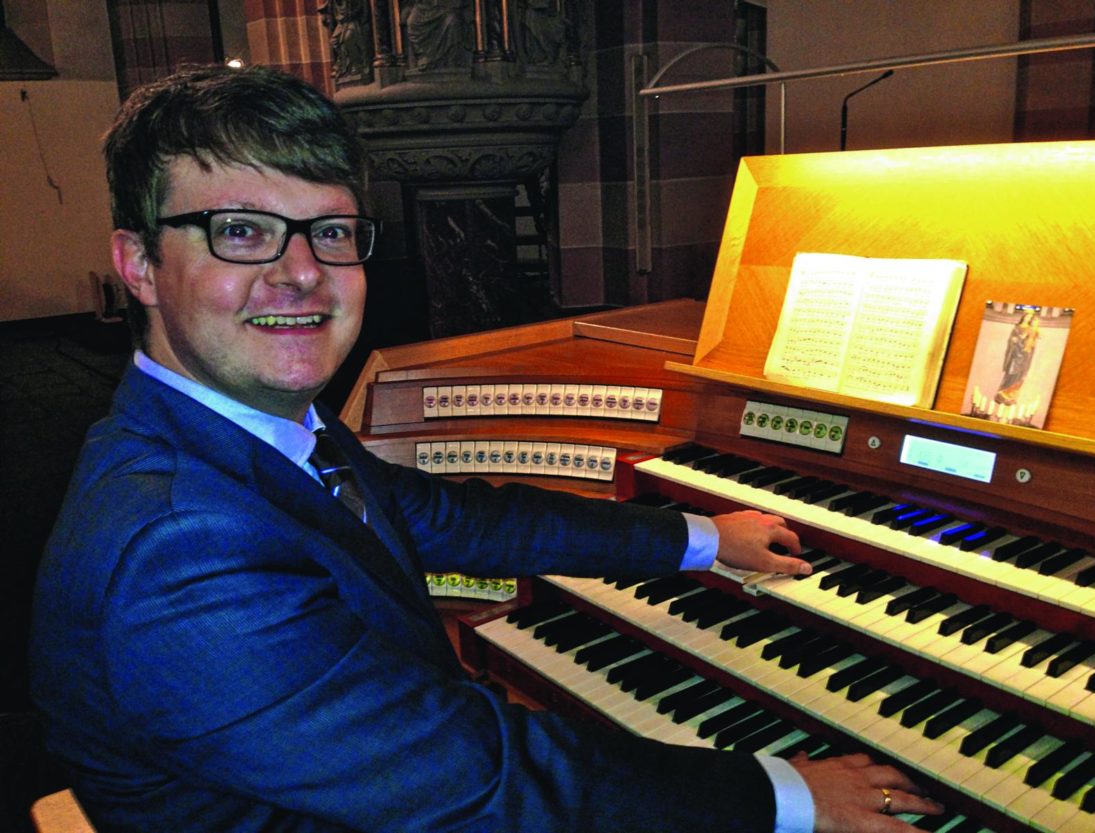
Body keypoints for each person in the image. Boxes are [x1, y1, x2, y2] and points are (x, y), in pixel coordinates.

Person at [30, 64, 943, 833]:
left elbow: (447, 514)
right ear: (139, 263)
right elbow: (481, 779)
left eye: (330, 230)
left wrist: (699, 538)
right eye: (241, 231)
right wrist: (784, 793)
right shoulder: (178, 546)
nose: (301, 272)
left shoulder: (247, 425)